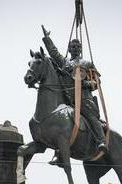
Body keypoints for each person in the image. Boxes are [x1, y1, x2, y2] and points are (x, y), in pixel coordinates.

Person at [41, 25, 107, 165]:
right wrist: (47, 39)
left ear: (80, 49)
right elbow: (54, 53)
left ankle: (101, 141)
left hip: (84, 99)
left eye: (78, 47)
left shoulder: (87, 63)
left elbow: (97, 81)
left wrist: (87, 84)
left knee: (90, 117)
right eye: (73, 47)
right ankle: (59, 153)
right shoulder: (65, 63)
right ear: (69, 49)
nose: (75, 49)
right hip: (68, 101)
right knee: (59, 124)